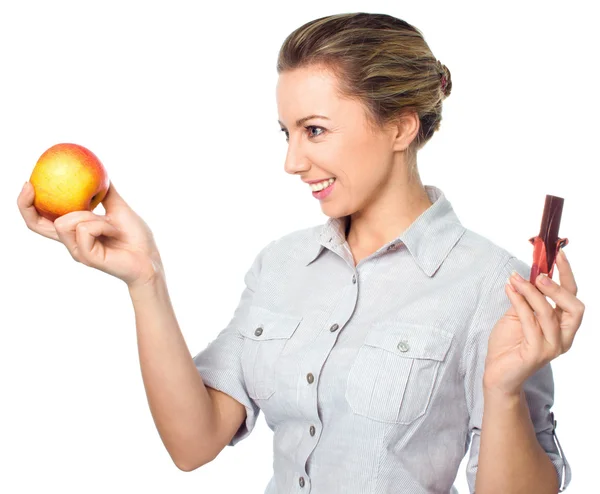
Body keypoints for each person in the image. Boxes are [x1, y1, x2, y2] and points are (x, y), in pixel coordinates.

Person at [17, 12, 585, 494]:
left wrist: (504, 392)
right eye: (285, 132)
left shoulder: (495, 287)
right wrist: (145, 279)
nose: (292, 161)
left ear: (401, 128)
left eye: (314, 131)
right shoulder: (281, 266)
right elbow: (194, 444)